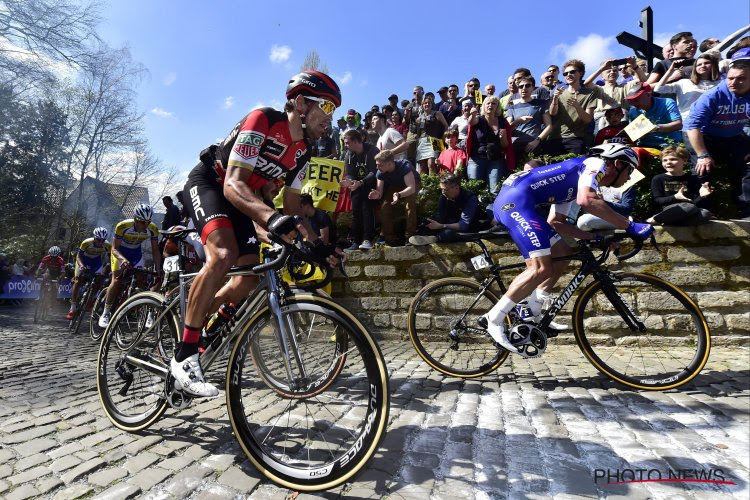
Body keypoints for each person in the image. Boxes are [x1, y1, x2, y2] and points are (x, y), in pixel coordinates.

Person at [173, 70, 343, 397]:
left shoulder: (303, 152)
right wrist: (271, 218)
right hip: (212, 184)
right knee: (223, 255)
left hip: (244, 202)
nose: (330, 118)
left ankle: (201, 323)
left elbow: (293, 206)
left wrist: (318, 245)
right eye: (328, 108)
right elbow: (233, 183)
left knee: (249, 276)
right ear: (302, 103)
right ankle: (184, 355)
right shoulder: (263, 120)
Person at [484, 144, 653, 353]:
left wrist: (596, 237)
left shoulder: (577, 180)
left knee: (563, 255)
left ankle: (532, 310)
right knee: (540, 268)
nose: (629, 178)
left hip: (521, 202)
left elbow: (557, 222)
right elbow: (587, 201)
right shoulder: (595, 163)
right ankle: (494, 318)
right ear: (617, 163)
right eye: (629, 171)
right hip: (514, 204)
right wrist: (630, 226)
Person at [684, 50, 750, 219]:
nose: (734, 82)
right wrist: (702, 155)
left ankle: (746, 211)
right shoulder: (712, 96)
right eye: (730, 78)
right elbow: (693, 127)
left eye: (741, 78)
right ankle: (702, 210)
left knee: (747, 167)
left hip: (733, 135)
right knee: (702, 169)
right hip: (702, 135)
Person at [99, 204, 162, 328]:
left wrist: (158, 268)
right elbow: (114, 248)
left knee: (141, 279)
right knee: (116, 280)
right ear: (135, 219)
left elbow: (155, 251)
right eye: (142, 222)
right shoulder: (123, 226)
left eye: (148, 222)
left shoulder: (153, 229)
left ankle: (134, 307)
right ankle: (106, 313)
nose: (145, 225)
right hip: (120, 252)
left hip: (136, 253)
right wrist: (122, 259)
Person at [653, 53, 722, 151]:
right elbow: (658, 89)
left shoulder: (721, 84)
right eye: (699, 64)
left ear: (714, 65)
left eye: (707, 63)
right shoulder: (684, 83)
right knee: (697, 160)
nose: (703, 66)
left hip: (713, 126)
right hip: (690, 127)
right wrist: (671, 70)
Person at [548, 59, 604, 155]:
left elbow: (588, 119)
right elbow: (552, 113)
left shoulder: (589, 94)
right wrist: (555, 99)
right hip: (555, 139)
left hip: (576, 139)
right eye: (565, 74)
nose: (568, 75)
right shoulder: (559, 93)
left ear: (580, 73)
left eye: (572, 72)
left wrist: (577, 106)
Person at [648, 145, 714, 225]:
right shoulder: (658, 179)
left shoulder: (692, 179)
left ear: (685, 161)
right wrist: (675, 197)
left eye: (673, 159)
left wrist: (701, 196)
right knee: (688, 207)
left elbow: (694, 203)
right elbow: (657, 201)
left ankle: (670, 223)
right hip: (667, 210)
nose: (668, 162)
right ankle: (657, 219)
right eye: (664, 160)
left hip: (687, 209)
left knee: (705, 213)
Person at [409, 173, 482, 245]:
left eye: (445, 189)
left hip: (467, 229)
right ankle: (425, 237)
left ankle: (435, 238)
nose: (443, 192)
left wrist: (441, 225)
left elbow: (464, 225)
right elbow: (441, 217)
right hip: (448, 225)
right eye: (442, 189)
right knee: (425, 226)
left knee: (448, 233)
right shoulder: (444, 197)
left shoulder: (470, 198)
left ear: (456, 187)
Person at [368, 149, 421, 246]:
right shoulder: (380, 172)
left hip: (412, 183)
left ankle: (410, 235)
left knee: (409, 204)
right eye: (377, 164)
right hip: (395, 185)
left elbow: (411, 188)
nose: (377, 167)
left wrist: (399, 194)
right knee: (385, 206)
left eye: (380, 165)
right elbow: (379, 191)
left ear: (389, 163)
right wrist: (377, 195)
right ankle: (389, 238)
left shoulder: (404, 166)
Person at [342, 129, 379, 250]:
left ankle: (368, 239)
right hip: (357, 186)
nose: (345, 145)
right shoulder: (349, 154)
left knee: (366, 208)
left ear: (356, 141)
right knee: (356, 211)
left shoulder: (372, 150)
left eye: (347, 142)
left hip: (372, 184)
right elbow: (349, 173)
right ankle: (356, 241)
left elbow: (375, 171)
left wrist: (361, 182)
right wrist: (350, 181)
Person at [467, 96, 511, 193]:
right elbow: (471, 122)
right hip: (477, 159)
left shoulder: (502, 122)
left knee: (495, 190)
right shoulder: (478, 119)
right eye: (488, 103)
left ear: (497, 107)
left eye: (493, 103)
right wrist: (473, 114)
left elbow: (505, 145)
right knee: (474, 189)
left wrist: (503, 137)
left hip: (495, 159)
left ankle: (492, 208)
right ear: (484, 106)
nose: (490, 105)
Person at [505, 76, 553, 164]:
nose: (524, 88)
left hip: (533, 145)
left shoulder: (541, 104)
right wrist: (518, 120)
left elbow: (549, 126)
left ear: (533, 88)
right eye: (521, 86)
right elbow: (508, 129)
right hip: (514, 146)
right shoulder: (512, 108)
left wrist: (537, 140)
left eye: (527, 85)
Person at [66, 227, 111, 320]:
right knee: (77, 281)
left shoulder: (107, 245)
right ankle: (72, 308)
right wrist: (81, 266)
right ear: (94, 238)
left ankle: (91, 299)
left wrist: (109, 267)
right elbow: (78, 256)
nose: (100, 242)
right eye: (98, 240)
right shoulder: (86, 242)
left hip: (96, 262)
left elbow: (111, 258)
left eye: (102, 240)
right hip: (84, 260)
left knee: (99, 280)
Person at [625, 83, 682, 149]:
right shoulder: (633, 111)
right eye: (630, 100)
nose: (633, 103)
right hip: (645, 146)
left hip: (669, 145)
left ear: (648, 95)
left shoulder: (667, 103)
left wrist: (655, 128)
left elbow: (678, 125)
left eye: (636, 99)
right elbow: (634, 136)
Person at [414, 93, 449, 175]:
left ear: (432, 104)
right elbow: (418, 133)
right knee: (422, 166)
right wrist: (417, 146)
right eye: (425, 103)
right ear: (422, 105)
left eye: (429, 103)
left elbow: (446, 126)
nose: (427, 104)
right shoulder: (418, 119)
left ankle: (433, 185)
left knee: (432, 164)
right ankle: (423, 185)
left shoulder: (437, 114)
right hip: (422, 142)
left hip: (435, 140)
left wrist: (443, 139)